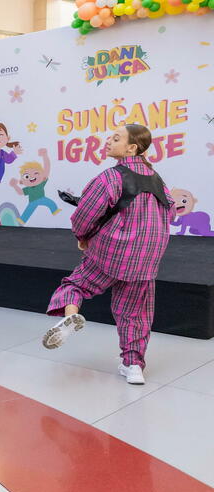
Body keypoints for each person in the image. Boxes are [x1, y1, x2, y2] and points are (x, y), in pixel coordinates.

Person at [41, 125, 175, 386]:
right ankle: (133, 365)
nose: (108, 141)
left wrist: (83, 237)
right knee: (135, 313)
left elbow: (85, 215)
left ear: (131, 148)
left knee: (76, 285)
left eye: (116, 138)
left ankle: (71, 314)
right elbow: (169, 213)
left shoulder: (110, 177)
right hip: (146, 258)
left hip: (111, 252)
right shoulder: (157, 179)